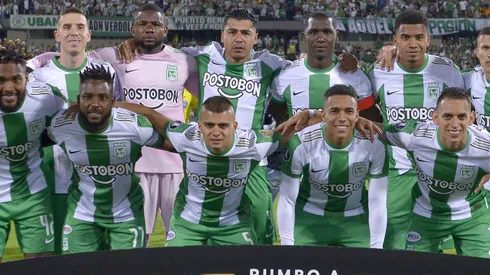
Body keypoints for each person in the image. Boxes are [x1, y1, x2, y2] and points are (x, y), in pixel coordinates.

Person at [117, 8, 359, 245]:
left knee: (259, 230)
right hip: (206, 157)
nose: (238, 39)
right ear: (222, 36)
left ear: (256, 38)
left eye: (245, 33)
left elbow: (314, 65)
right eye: (232, 32)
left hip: (251, 159)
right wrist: (133, 43)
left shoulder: (271, 64)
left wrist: (343, 60)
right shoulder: (200, 56)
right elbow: (157, 51)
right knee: (198, 223)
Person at [29, 3, 197, 246]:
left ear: (166, 29)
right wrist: (28, 65)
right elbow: (67, 54)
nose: (149, 28)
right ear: (132, 29)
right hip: (132, 162)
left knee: (180, 236)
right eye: (142, 24)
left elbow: (210, 90)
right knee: (140, 236)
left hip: (172, 159)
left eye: (155, 24)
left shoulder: (183, 60)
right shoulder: (112, 57)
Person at [114, 96, 293, 246]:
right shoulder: (185, 136)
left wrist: (312, 113)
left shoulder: (254, 144)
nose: (216, 132)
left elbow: (296, 130)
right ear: (199, 126)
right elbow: (150, 114)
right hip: (188, 224)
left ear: (235, 127)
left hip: (234, 226)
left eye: (223, 126)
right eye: (209, 125)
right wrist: (111, 106)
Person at [367, 10, 465, 250]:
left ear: (428, 40)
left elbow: (463, 120)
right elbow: (366, 117)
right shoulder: (378, 72)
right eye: (406, 37)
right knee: (393, 242)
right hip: (397, 172)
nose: (413, 44)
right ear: (395, 40)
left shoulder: (448, 70)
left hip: (437, 170)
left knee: (435, 239)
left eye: (419, 37)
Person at [27, 7, 121, 254]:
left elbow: (118, 120)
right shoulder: (38, 77)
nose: (73, 32)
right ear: (56, 34)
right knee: (56, 257)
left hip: (100, 180)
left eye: (79, 27)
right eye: (67, 27)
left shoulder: (108, 73)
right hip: (54, 177)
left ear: (89, 35)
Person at [47, 64, 165, 254]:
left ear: (113, 101)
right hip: (82, 213)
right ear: (78, 100)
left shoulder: (134, 126)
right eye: (88, 97)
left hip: (126, 215)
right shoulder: (61, 126)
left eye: (102, 98)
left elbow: (177, 145)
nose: (95, 104)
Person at [384, 87, 490, 258]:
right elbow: (378, 130)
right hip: (426, 215)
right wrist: (357, 122)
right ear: (435, 117)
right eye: (447, 116)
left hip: (472, 216)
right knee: (414, 269)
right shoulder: (415, 136)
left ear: (471, 118)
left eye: (461, 117)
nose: (455, 124)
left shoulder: (485, 147)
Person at [277, 85, 388, 248]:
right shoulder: (300, 143)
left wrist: (377, 247)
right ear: (323, 115)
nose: (342, 118)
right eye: (334, 111)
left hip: (356, 219)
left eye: (349, 111)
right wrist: (287, 243)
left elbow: (377, 200)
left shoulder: (375, 145)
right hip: (309, 216)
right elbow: (287, 198)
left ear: (357, 115)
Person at [0, 48, 65, 262]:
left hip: (34, 195)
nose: (8, 88)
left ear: (27, 78)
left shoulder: (47, 97)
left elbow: (69, 122)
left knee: (40, 267)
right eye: (1, 80)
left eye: (16, 79)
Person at [462, 26, 490, 201]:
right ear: (477, 51)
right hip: (479, 173)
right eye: (486, 48)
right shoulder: (469, 79)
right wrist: (395, 52)